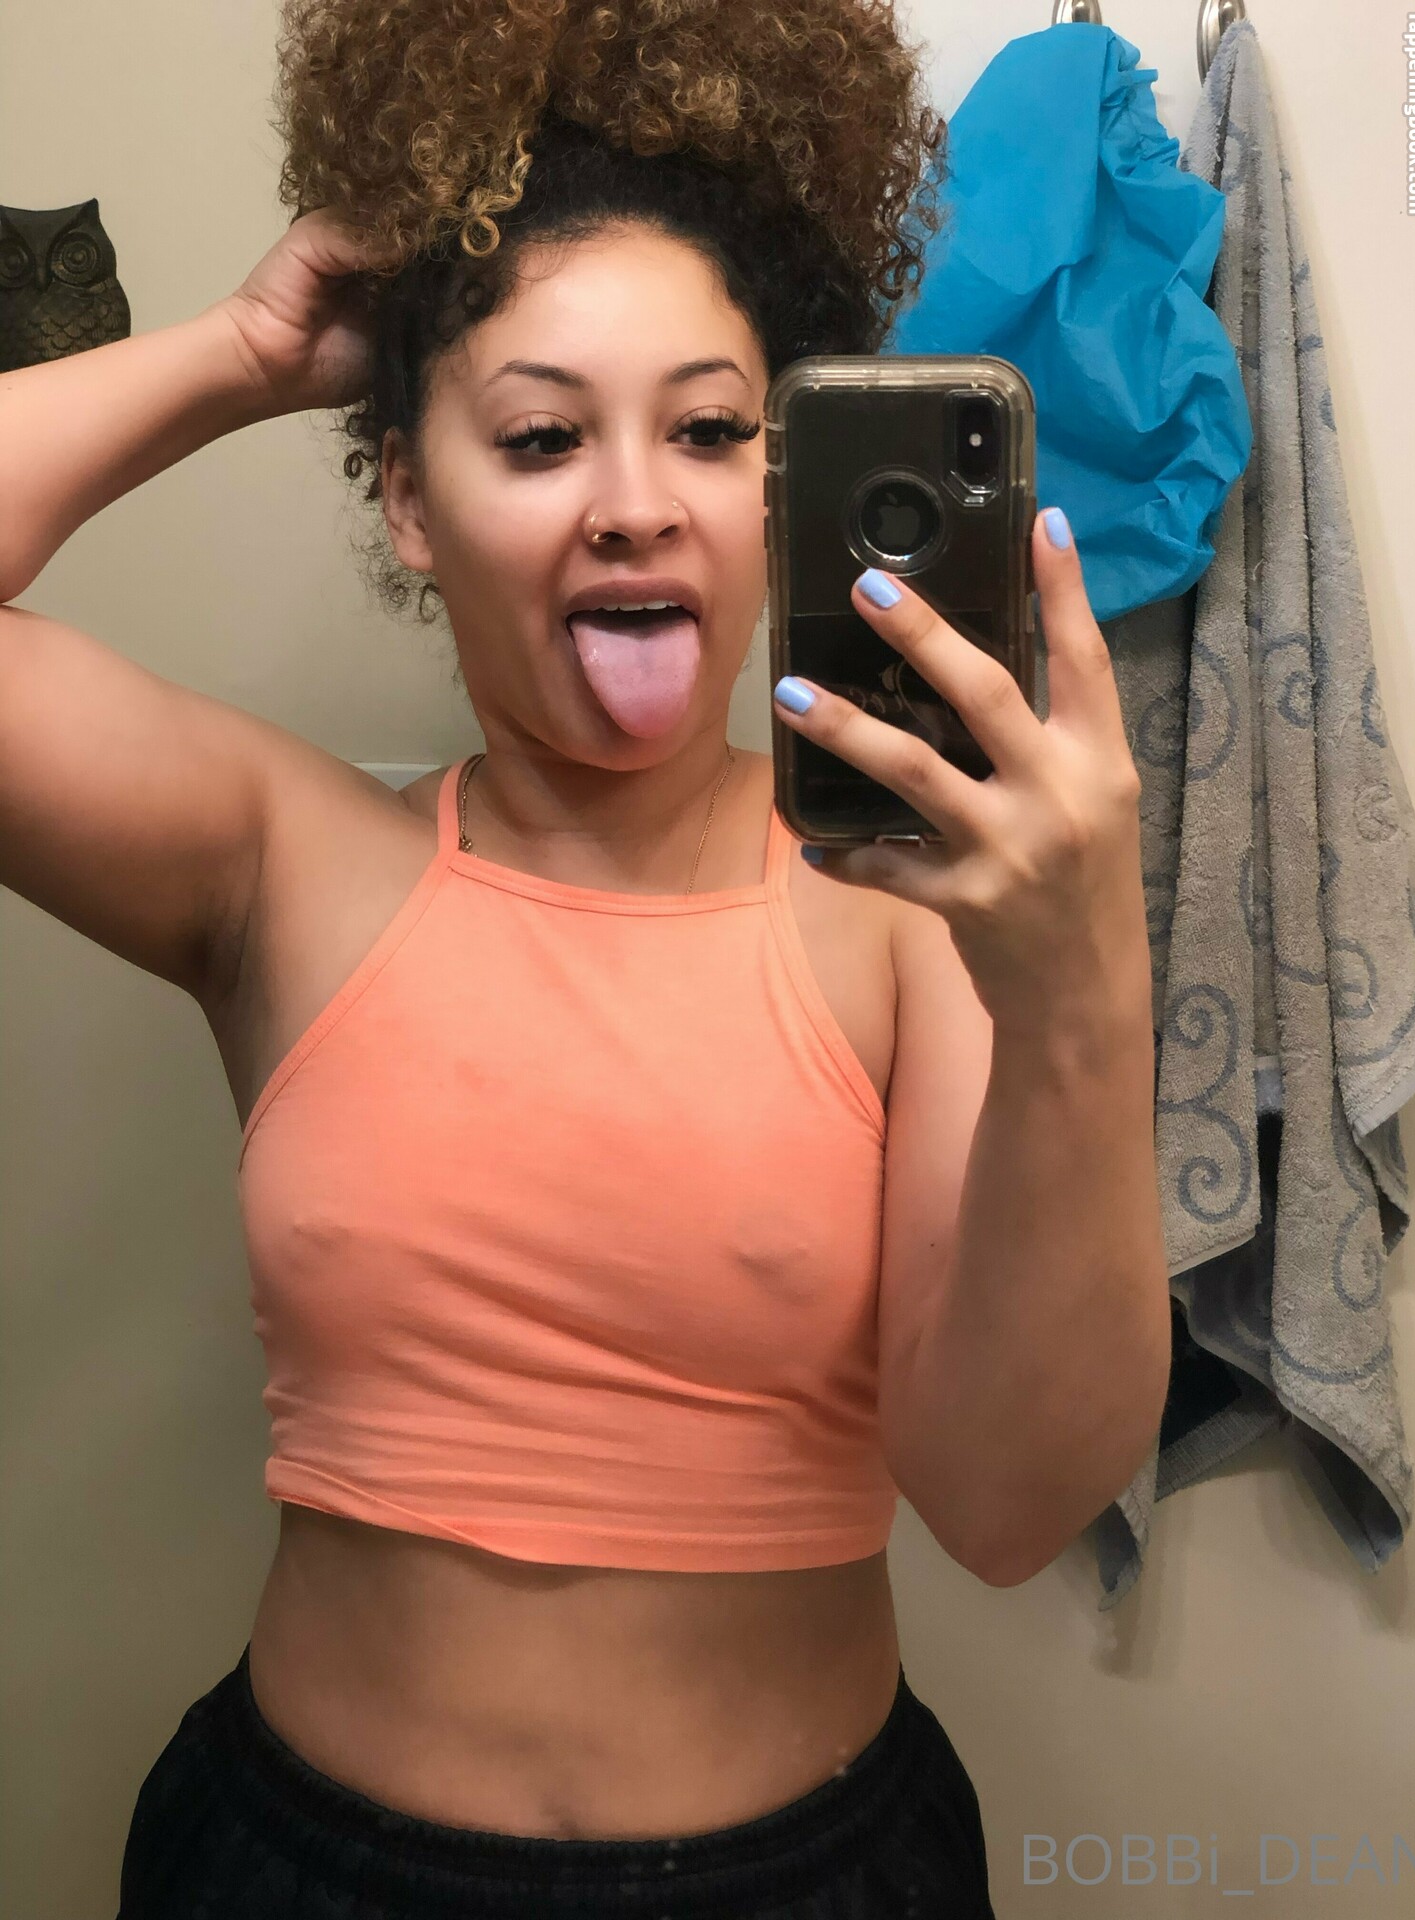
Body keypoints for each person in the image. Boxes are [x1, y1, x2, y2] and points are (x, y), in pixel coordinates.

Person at [0, 2, 1171, 1914]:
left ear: (776, 486)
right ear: (409, 495)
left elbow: (1011, 1504)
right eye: (542, 436)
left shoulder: (922, 916)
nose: (635, 499)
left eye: (710, 428)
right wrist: (241, 354)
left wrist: (1083, 990)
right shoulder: (283, 863)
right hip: (294, 1870)